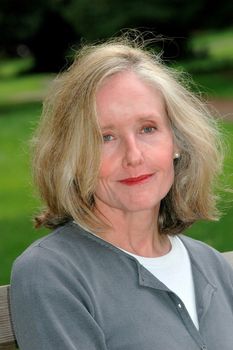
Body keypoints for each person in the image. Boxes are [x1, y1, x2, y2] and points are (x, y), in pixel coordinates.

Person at [10, 35, 233, 350]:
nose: (133, 156)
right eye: (106, 137)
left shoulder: (212, 265)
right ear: (73, 155)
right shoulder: (52, 273)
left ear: (177, 142)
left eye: (147, 129)